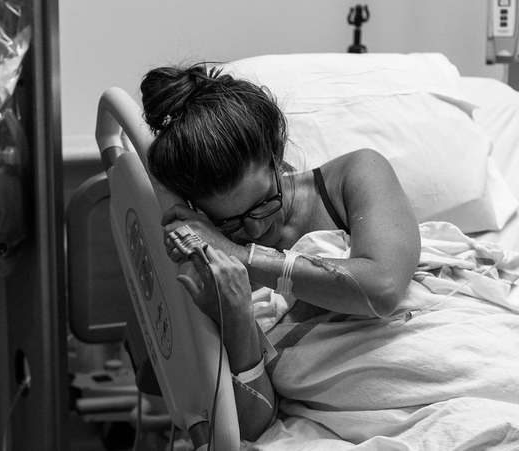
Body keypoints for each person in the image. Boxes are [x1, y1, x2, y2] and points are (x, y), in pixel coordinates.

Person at [140, 63, 422, 441]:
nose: (255, 229)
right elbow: (256, 426)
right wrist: (236, 315)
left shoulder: (353, 176)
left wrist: (242, 254)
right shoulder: (204, 258)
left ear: (277, 154)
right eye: (231, 221)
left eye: (263, 203)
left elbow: (383, 288)